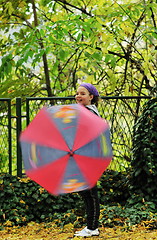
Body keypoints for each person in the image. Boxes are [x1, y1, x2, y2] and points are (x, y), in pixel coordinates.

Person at [74, 82, 100, 237]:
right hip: (81, 157)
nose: (78, 96)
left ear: (91, 97)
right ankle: (90, 226)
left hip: (89, 159)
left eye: (82, 93)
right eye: (77, 93)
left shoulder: (89, 113)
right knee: (85, 192)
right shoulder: (82, 112)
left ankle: (92, 227)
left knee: (90, 193)